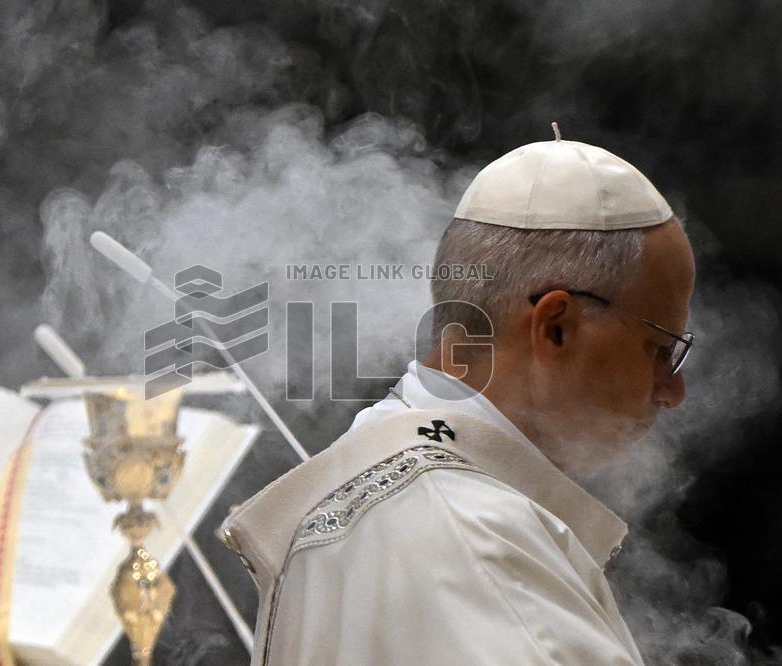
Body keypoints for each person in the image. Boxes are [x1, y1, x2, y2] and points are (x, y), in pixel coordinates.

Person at [221, 127, 695, 665]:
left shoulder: (394, 477)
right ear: (555, 327)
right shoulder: (480, 541)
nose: (673, 391)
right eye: (661, 349)